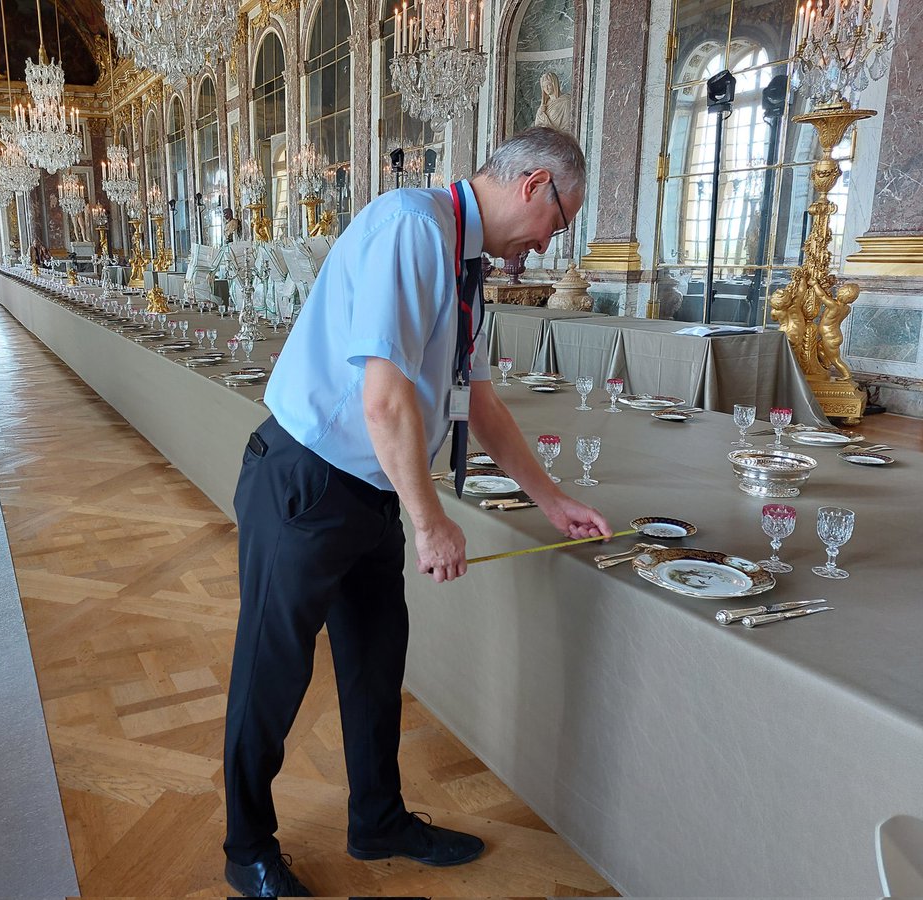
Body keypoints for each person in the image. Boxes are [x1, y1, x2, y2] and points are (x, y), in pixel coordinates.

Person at [223, 127, 612, 898]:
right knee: (272, 673)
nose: (548, 245)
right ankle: (247, 849)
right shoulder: (412, 225)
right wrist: (430, 520)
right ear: (535, 185)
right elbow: (385, 398)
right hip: (306, 483)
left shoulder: (462, 259)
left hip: (370, 491)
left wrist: (553, 499)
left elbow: (480, 402)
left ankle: (377, 820)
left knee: (375, 665)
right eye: (558, 222)